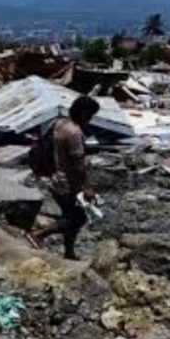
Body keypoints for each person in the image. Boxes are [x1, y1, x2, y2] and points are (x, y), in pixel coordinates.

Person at [27, 96, 101, 260]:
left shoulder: (60, 123)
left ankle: (69, 252)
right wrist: (87, 187)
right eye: (90, 115)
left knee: (71, 215)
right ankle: (39, 234)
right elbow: (79, 165)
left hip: (55, 177)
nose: (90, 120)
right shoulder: (74, 133)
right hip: (67, 183)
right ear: (84, 113)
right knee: (77, 218)